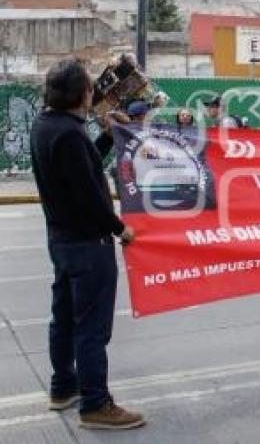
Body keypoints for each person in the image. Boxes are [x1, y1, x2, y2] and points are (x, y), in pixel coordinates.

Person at [29, 59, 145, 430]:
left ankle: (63, 386)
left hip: (61, 240)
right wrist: (118, 228)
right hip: (87, 243)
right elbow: (87, 193)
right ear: (82, 93)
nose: (94, 93)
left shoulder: (48, 127)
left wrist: (108, 134)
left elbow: (82, 167)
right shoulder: (70, 133)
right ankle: (96, 403)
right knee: (92, 327)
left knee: (63, 317)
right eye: (91, 88)